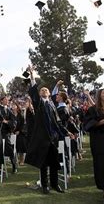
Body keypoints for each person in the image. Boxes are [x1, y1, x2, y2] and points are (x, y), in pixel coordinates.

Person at [25, 65, 71, 194]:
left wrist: (66, 132)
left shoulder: (52, 105)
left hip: (53, 138)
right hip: (42, 138)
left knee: (54, 163)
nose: (44, 90)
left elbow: (58, 122)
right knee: (44, 164)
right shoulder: (38, 103)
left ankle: (55, 184)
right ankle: (45, 186)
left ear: (50, 94)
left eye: (46, 90)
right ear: (40, 94)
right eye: (42, 90)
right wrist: (32, 75)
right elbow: (34, 90)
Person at [0, 96, 17, 173]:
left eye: (7, 100)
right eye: (5, 99)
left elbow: (14, 121)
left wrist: (7, 122)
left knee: (10, 149)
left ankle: (14, 166)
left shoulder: (9, 110)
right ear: (1, 101)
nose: (7, 101)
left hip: (6, 133)